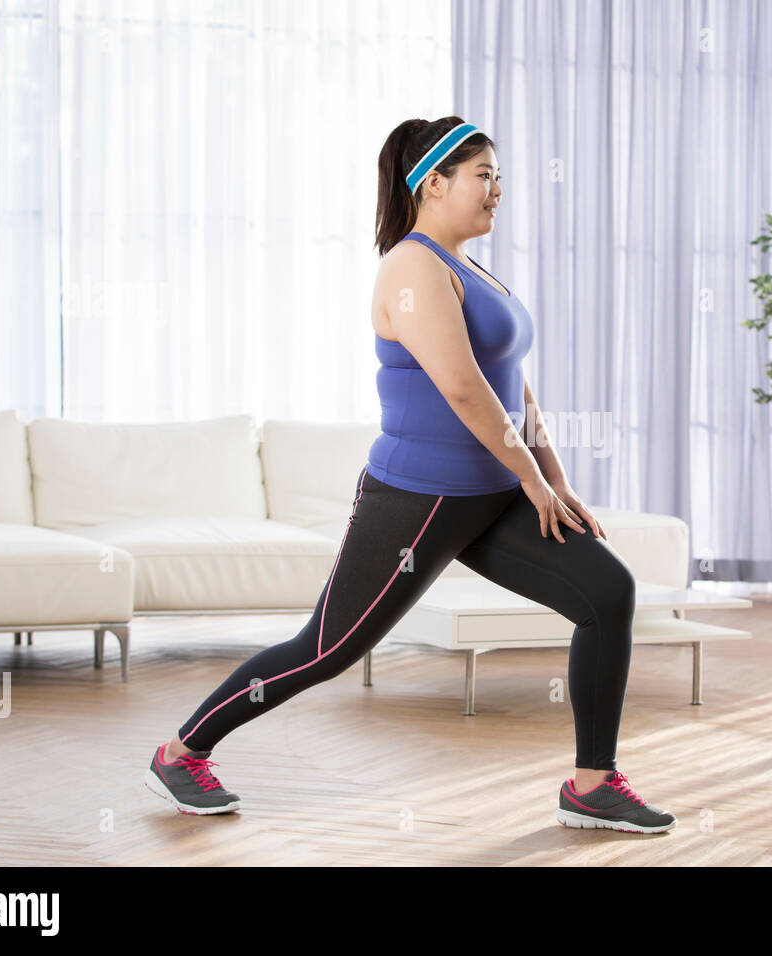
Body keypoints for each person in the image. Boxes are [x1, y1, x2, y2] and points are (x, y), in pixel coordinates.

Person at [143, 117, 676, 833]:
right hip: (419, 499)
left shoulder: (471, 266)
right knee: (328, 650)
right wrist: (533, 479)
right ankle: (182, 752)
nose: (497, 192)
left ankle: (592, 783)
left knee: (608, 592)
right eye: (483, 176)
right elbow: (462, 388)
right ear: (433, 182)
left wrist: (554, 477)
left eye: (500, 178)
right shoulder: (411, 268)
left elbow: (513, 385)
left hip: (491, 496)